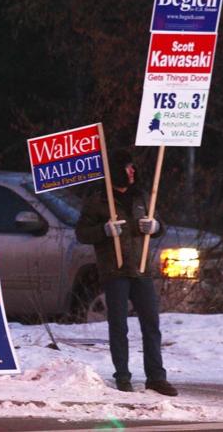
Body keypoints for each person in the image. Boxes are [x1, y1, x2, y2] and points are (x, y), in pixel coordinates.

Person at [75, 149, 178, 396]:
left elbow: (159, 225)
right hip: (115, 270)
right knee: (119, 325)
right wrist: (104, 230)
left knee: (151, 323)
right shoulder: (99, 199)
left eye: (133, 167)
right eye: (127, 168)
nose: (132, 172)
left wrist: (156, 227)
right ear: (116, 171)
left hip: (141, 269)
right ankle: (122, 375)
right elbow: (81, 233)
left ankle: (156, 377)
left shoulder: (142, 197)